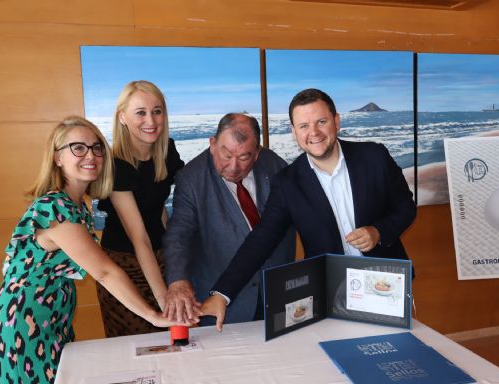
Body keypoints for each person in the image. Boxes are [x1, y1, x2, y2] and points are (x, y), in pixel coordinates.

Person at [0, 116, 180, 384]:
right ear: (57, 157)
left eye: (97, 148)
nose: (91, 155)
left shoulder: (78, 206)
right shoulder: (54, 208)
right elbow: (104, 272)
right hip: (21, 326)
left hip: (51, 323)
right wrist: (153, 315)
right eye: (78, 148)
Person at [201, 88, 417, 330]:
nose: (313, 132)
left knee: (389, 356)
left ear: (336, 122)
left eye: (321, 122)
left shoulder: (374, 156)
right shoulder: (287, 183)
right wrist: (222, 293)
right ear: (294, 132)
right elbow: (261, 240)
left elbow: (406, 208)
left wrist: (378, 231)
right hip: (329, 291)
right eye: (303, 126)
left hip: (385, 282)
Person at [163, 113, 295, 325]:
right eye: (226, 155)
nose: (234, 167)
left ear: (257, 153)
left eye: (244, 158)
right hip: (226, 304)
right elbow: (179, 235)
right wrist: (178, 281)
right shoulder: (191, 179)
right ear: (213, 144)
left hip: (278, 293)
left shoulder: (274, 164)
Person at [95, 81, 184, 337]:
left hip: (157, 257)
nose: (151, 120)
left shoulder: (167, 151)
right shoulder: (116, 165)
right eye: (140, 112)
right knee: (138, 345)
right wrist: (163, 298)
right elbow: (139, 238)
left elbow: (158, 209)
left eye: (157, 111)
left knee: (173, 343)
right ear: (122, 117)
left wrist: (171, 254)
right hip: (125, 268)